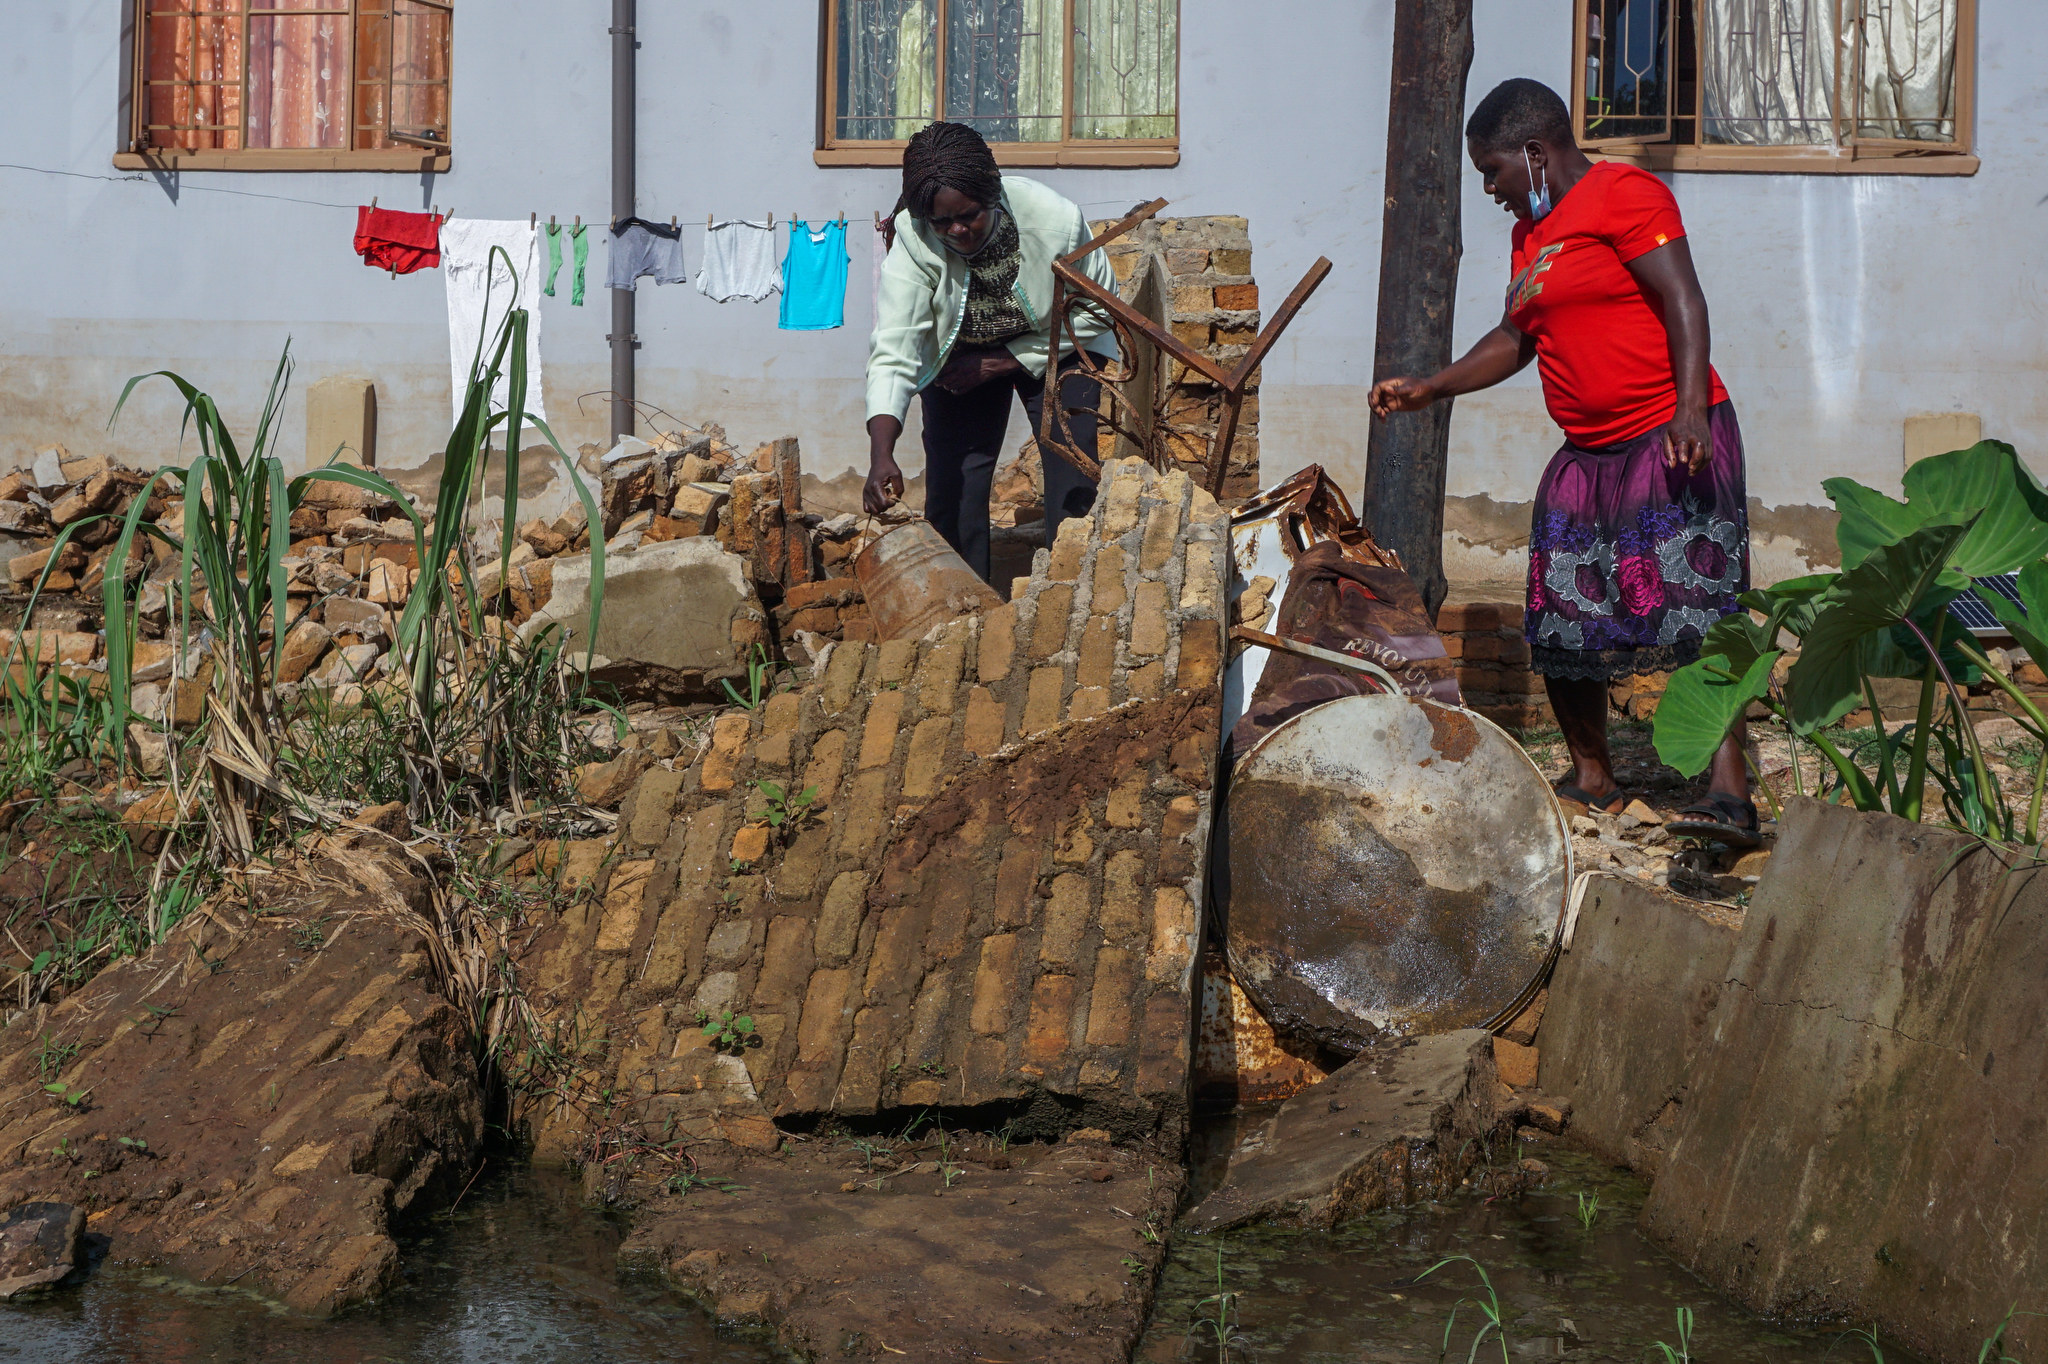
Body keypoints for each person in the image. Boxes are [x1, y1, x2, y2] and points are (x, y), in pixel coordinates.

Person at [1368, 78, 1757, 845]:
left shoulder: (1626, 196)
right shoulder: (1533, 236)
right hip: (1588, 453)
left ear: (1537, 153)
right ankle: (1593, 777)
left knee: (1696, 610)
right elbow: (1519, 337)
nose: (1489, 188)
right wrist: (1432, 387)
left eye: (1494, 170)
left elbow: (1685, 300)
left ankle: (1729, 794)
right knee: (1562, 616)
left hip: (1667, 434)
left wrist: (1687, 410)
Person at [863, 122, 1119, 583]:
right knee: (954, 484)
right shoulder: (914, 239)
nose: (957, 230)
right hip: (959, 358)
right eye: (942, 223)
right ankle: (964, 610)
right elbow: (893, 350)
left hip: (1059, 343)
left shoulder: (1056, 220)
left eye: (970, 215)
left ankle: (1070, 592)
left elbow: (1099, 313)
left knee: (1072, 468)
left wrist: (1006, 360)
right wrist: (881, 453)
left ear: (994, 193)